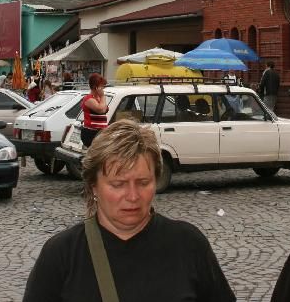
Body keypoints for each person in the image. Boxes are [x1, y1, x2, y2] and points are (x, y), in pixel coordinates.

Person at [23, 120, 236, 302]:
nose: (133, 196)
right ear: (93, 185)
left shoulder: (189, 245)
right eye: (118, 184)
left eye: (143, 182)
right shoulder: (61, 255)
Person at [81, 72, 108, 148]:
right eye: (101, 86)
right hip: (91, 133)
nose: (103, 89)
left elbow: (104, 109)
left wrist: (101, 98)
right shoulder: (88, 99)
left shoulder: (99, 98)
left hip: (100, 132)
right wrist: (102, 96)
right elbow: (101, 110)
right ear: (95, 87)